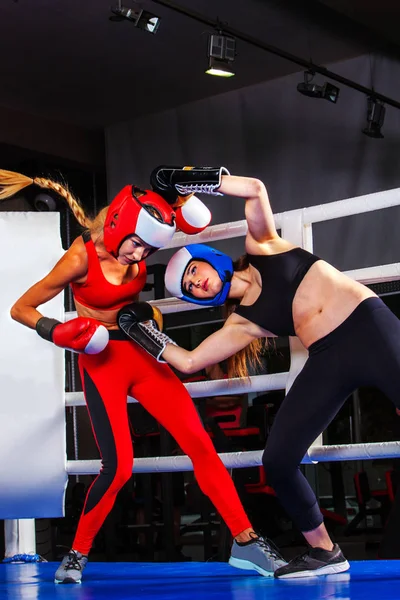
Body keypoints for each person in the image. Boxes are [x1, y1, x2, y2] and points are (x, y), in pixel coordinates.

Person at [2, 168, 285, 583]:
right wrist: (56, 330)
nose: (139, 257)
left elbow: (171, 192)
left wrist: (181, 185)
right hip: (101, 362)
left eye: (147, 249)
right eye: (136, 246)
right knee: (117, 468)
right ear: (118, 226)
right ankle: (77, 555)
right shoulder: (79, 258)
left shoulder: (141, 231)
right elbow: (21, 308)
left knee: (200, 444)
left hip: (143, 352)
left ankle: (246, 544)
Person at [119, 165, 400, 579]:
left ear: (209, 259)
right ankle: (325, 552)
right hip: (328, 358)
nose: (197, 283)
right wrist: (143, 333)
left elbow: (254, 190)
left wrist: (183, 178)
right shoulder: (242, 323)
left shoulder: (264, 247)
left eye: (195, 271)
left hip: (368, 326)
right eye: (190, 288)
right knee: (279, 459)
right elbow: (191, 361)